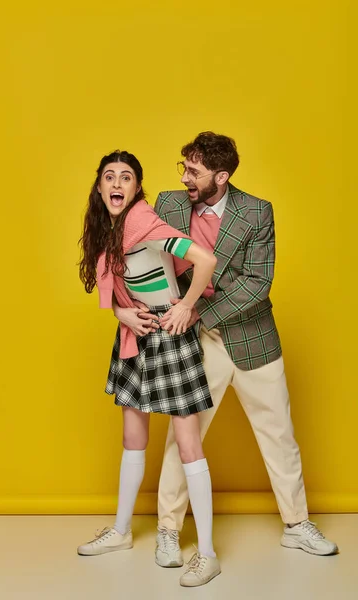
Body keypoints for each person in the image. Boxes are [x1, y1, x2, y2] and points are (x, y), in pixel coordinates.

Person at [114, 132, 338, 564]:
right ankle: (167, 529)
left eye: (193, 171)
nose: (184, 178)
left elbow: (257, 283)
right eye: (183, 167)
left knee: (280, 436)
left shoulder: (256, 212)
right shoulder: (168, 205)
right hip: (192, 341)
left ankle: (296, 524)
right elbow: (134, 254)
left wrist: (196, 312)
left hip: (251, 338)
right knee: (184, 439)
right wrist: (124, 309)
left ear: (222, 175)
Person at [77, 150, 222, 587]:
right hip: (135, 336)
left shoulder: (144, 225)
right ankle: (121, 532)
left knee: (188, 444)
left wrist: (184, 305)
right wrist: (121, 314)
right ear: (100, 187)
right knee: (132, 437)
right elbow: (119, 292)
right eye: (109, 176)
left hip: (169, 336)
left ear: (137, 187)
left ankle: (209, 554)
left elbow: (206, 261)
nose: (117, 183)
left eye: (126, 177)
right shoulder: (108, 232)